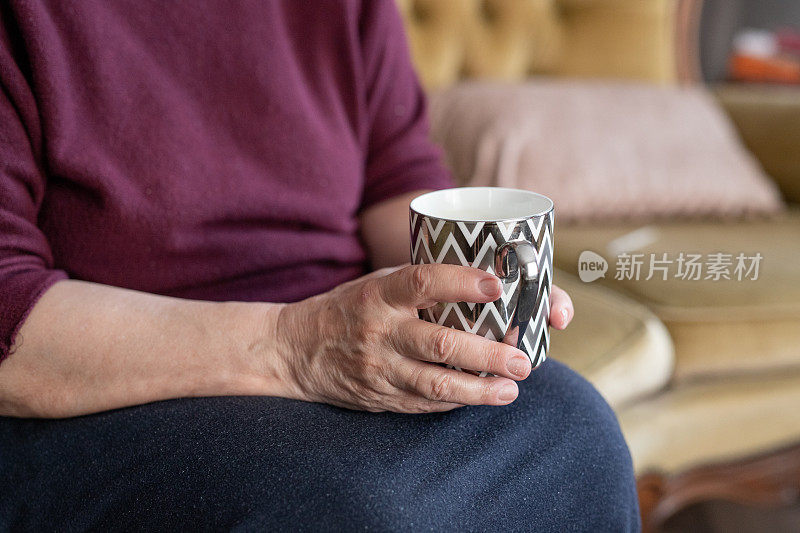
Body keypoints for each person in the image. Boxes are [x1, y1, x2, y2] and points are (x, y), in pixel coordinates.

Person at [0, 1, 639, 530]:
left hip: (333, 334)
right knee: (354, 507)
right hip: (122, 381)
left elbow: (396, 182)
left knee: (576, 431)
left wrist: (474, 279)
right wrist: (296, 344)